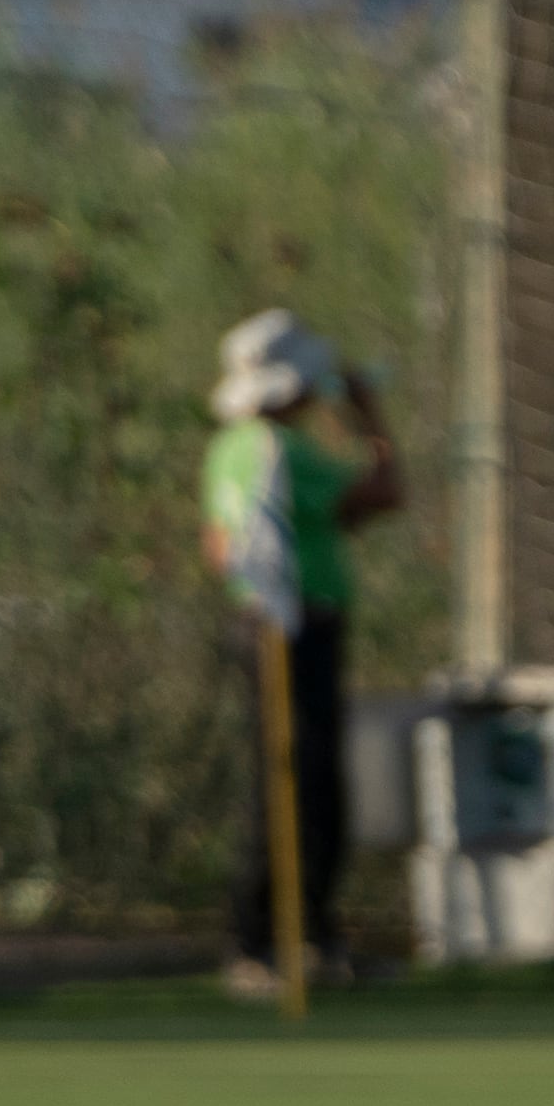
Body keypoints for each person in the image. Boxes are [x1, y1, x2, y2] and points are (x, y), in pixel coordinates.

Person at [199, 309, 403, 995]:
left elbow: (218, 544)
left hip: (268, 626)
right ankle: (263, 943)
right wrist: (371, 418)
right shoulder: (282, 450)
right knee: (294, 784)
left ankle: (305, 937)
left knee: (302, 781)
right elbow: (384, 493)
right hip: (292, 630)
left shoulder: (231, 448)